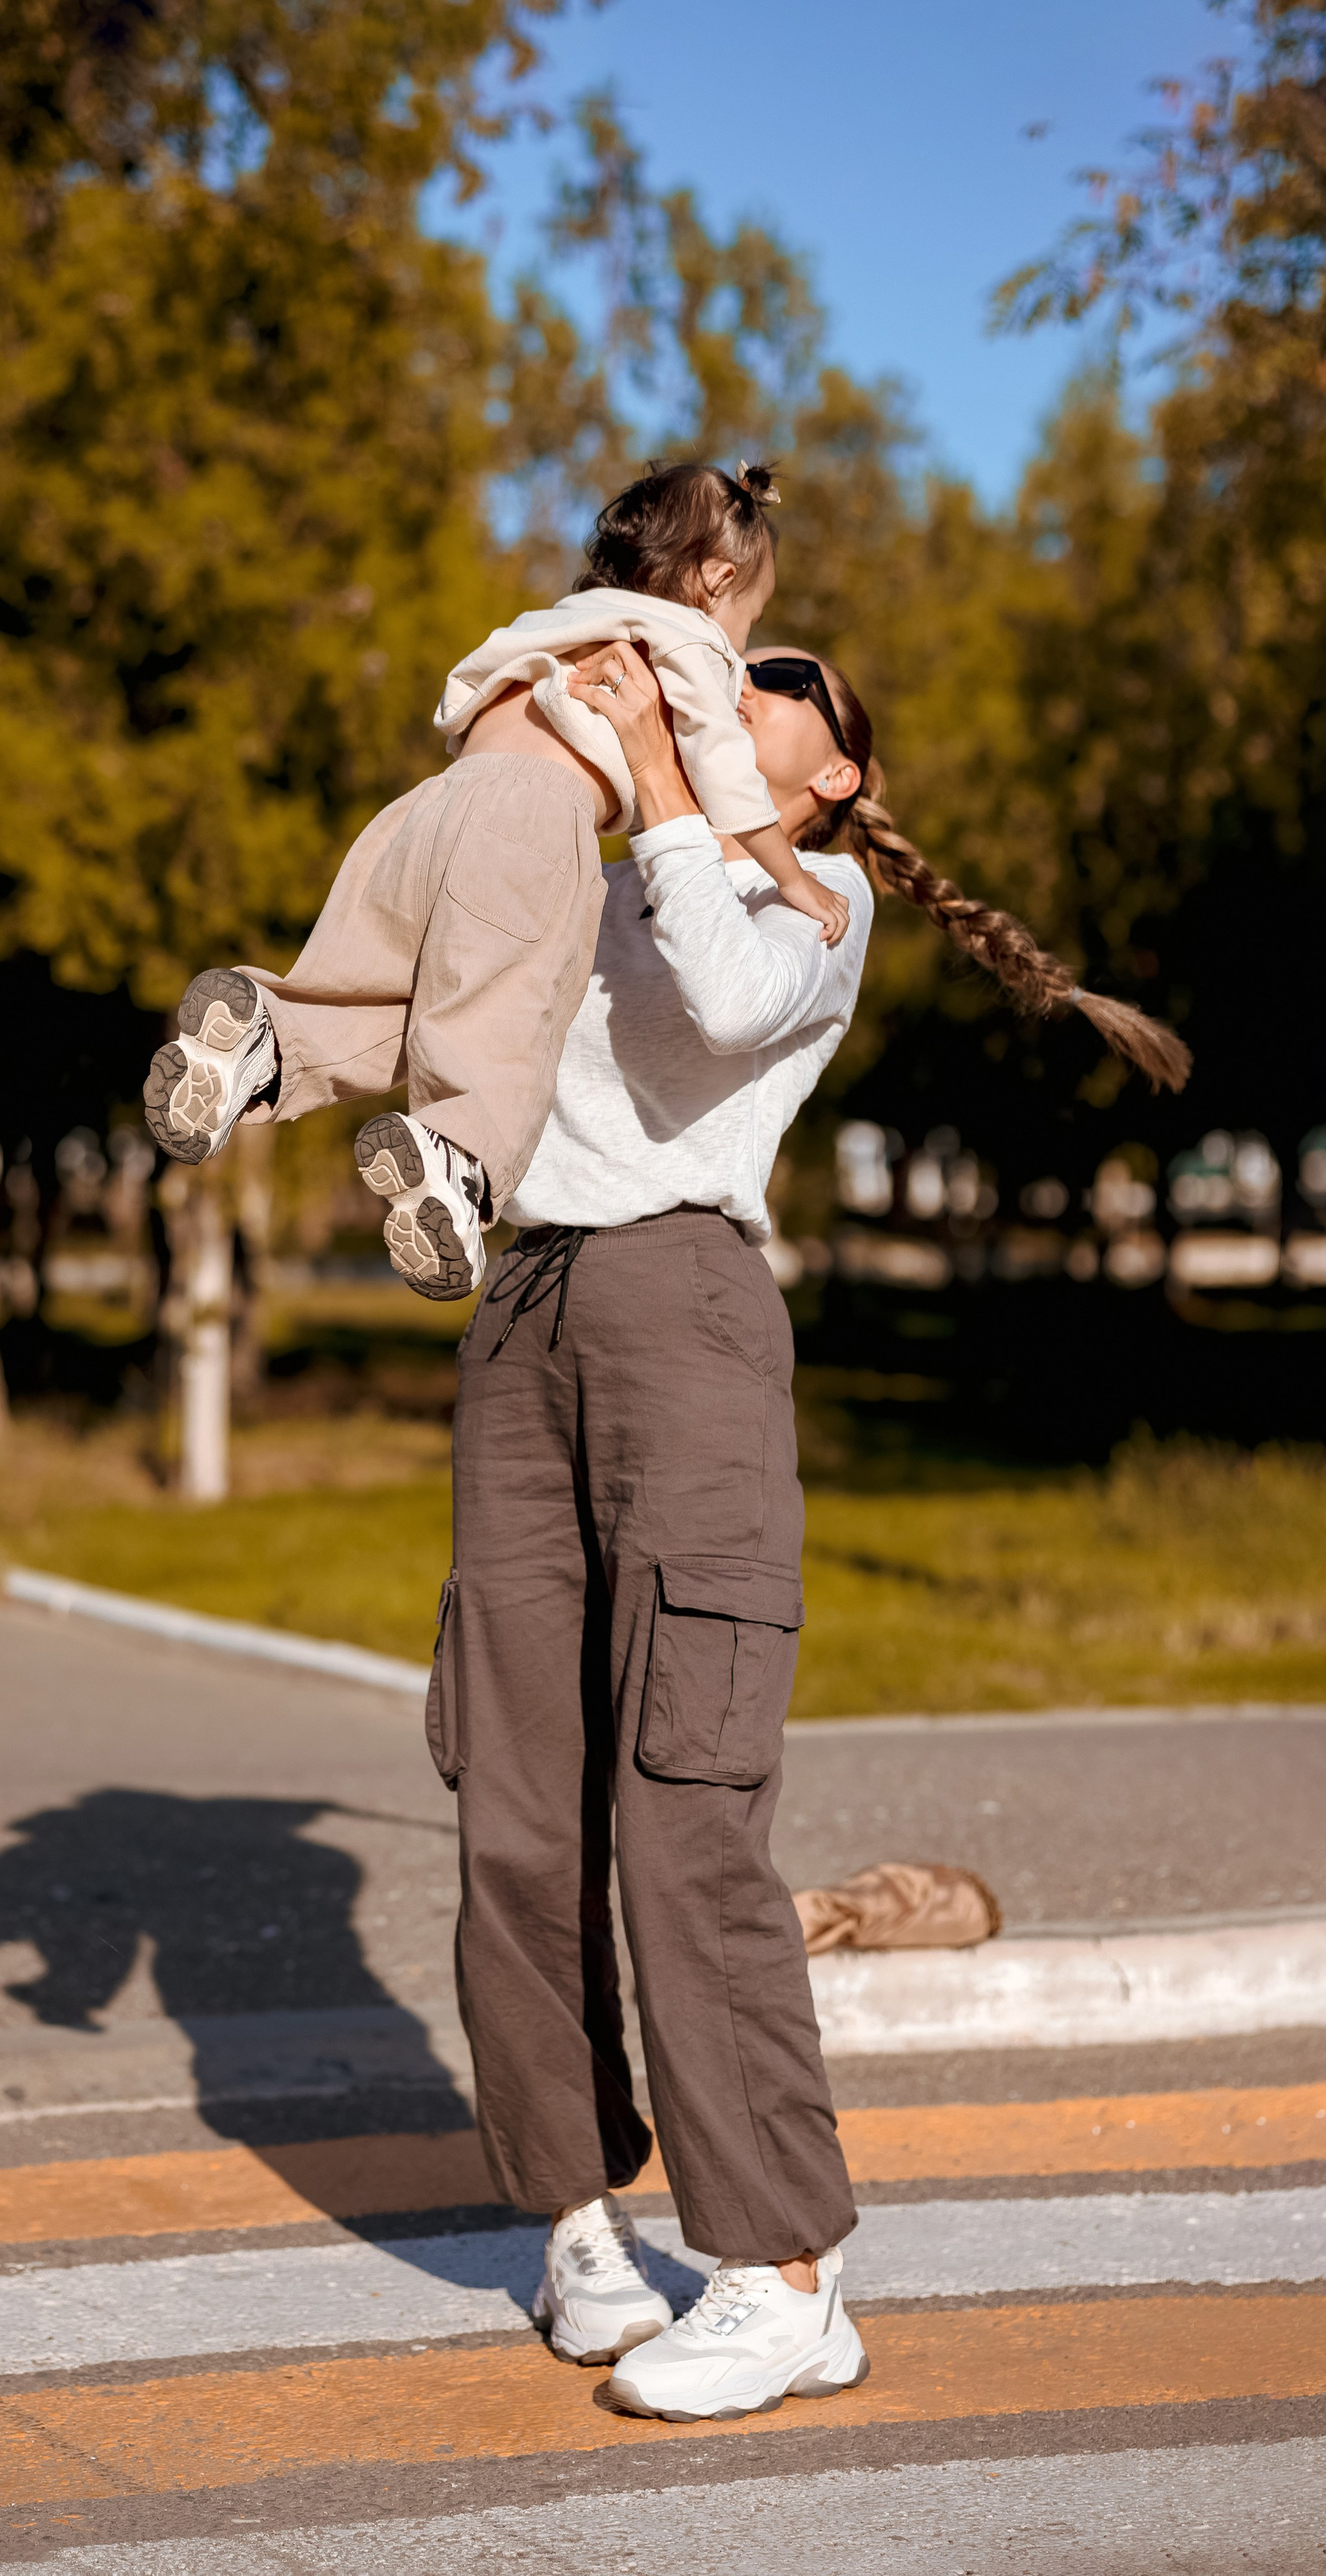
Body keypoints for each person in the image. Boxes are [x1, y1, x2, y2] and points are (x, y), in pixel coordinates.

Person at [433, 635, 1189, 2425]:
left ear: (833, 768)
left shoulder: (816, 899)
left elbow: (708, 1001)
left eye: (773, 673)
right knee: (520, 1813)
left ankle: (787, 2271)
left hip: (684, 1311)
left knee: (683, 1809)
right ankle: (576, 2217)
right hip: (519, 1312)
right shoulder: (605, 852)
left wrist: (682, 789)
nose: (725, 674)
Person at [141, 463, 849, 1303]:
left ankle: (259, 1041)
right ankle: (457, 1158)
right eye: (749, 624)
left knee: (397, 996)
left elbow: (463, 694)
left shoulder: (567, 619)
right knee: (516, 1005)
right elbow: (731, 788)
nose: (741, 652)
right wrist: (794, 884)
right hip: (536, 821)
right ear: (717, 582)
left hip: (430, 809)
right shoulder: (686, 644)